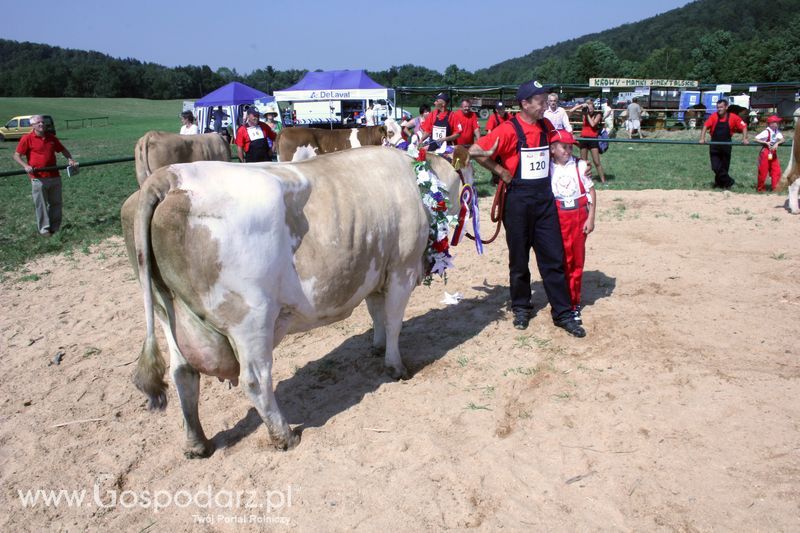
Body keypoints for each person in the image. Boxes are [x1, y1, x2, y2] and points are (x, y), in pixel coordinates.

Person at [469, 80, 586, 337]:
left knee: (554, 258)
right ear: (525, 103)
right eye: (541, 102)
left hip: (545, 201)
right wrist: (500, 171)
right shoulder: (508, 130)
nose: (546, 106)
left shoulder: (546, 126)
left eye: (546, 101)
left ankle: (564, 312)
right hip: (518, 202)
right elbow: (476, 150)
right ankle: (521, 307)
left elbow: (563, 146)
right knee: (519, 259)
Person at [549, 129, 596, 324]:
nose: (567, 151)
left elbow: (591, 192)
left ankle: (574, 302)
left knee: (576, 259)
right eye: (563, 147)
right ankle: (562, 300)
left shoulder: (580, 165)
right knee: (561, 260)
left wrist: (591, 218)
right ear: (552, 149)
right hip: (557, 215)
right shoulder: (547, 168)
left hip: (578, 214)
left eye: (570, 147)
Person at [12, 115, 78, 237]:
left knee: (56, 203)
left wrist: (70, 159)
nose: (41, 124)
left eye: (43, 122)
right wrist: (25, 166)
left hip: (54, 175)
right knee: (41, 204)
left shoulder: (51, 138)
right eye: (38, 123)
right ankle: (44, 229)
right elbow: (16, 155)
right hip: (38, 178)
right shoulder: (27, 138)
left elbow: (63, 150)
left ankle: (55, 227)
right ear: (32, 125)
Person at [699, 99, 749, 189]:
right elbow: (705, 126)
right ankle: (730, 182)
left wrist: (744, 138)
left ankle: (720, 185)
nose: (719, 109)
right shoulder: (714, 116)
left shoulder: (733, 117)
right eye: (718, 107)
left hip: (726, 145)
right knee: (715, 167)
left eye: (721, 107)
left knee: (724, 167)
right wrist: (702, 138)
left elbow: (744, 126)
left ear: (726, 107)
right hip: (714, 144)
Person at [578, 99, 607, 184]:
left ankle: (603, 181)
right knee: (583, 162)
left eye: (591, 108)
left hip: (593, 139)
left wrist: (587, 115)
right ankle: (584, 180)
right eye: (588, 108)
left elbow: (593, 124)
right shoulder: (584, 115)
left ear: (594, 108)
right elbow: (571, 111)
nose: (589, 110)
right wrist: (581, 106)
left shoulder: (598, 115)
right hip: (583, 139)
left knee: (596, 161)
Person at [753, 115, 785, 192]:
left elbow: (783, 139)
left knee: (776, 170)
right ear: (771, 124)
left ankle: (775, 187)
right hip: (765, 152)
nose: (777, 123)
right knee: (763, 171)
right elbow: (755, 139)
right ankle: (760, 188)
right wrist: (765, 142)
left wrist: (777, 143)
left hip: (773, 152)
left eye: (777, 122)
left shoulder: (776, 131)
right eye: (776, 122)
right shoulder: (766, 132)